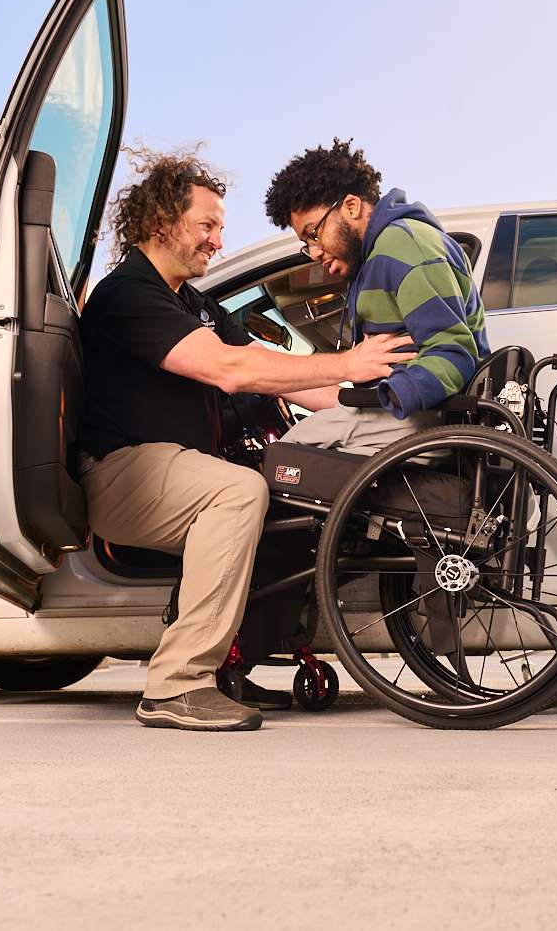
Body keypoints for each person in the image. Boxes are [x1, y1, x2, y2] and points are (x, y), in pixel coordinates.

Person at [77, 147, 413, 732]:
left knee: (288, 498)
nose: (216, 241)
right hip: (123, 471)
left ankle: (234, 663)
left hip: (179, 468)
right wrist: (350, 360)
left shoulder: (196, 303)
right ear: (162, 222)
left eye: (219, 229)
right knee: (235, 494)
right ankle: (176, 685)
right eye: (206, 226)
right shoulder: (128, 295)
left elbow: (282, 374)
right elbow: (231, 371)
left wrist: (389, 409)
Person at [263, 139, 489, 452]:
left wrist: (388, 396)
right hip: (399, 413)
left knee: (288, 451)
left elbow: (453, 350)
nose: (313, 252)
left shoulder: (403, 245)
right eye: (306, 243)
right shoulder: (375, 259)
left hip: (418, 418)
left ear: (351, 207)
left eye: (313, 233)